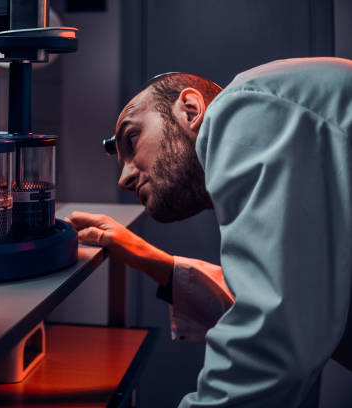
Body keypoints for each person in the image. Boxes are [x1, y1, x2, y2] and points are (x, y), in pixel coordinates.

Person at [68, 57, 352, 407]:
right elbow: (288, 301)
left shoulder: (242, 107)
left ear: (190, 109)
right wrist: (152, 261)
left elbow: (270, 340)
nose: (123, 178)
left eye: (132, 138)